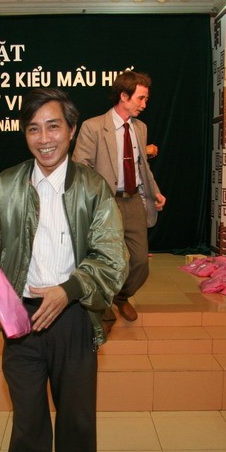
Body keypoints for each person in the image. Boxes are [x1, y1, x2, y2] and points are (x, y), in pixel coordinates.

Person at [0, 88, 128, 452]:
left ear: (71, 129)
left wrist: (68, 290)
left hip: (74, 318)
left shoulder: (93, 188)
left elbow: (112, 258)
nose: (44, 139)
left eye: (53, 127)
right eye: (33, 129)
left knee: (77, 423)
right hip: (20, 320)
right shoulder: (6, 184)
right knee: (28, 424)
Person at [73, 70, 166, 324]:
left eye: (146, 99)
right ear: (124, 96)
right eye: (141, 98)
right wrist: (95, 202)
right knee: (108, 261)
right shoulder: (93, 127)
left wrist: (155, 191)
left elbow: (142, 167)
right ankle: (102, 306)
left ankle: (121, 297)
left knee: (140, 262)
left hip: (134, 200)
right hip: (106, 203)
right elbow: (80, 169)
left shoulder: (140, 128)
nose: (144, 105)